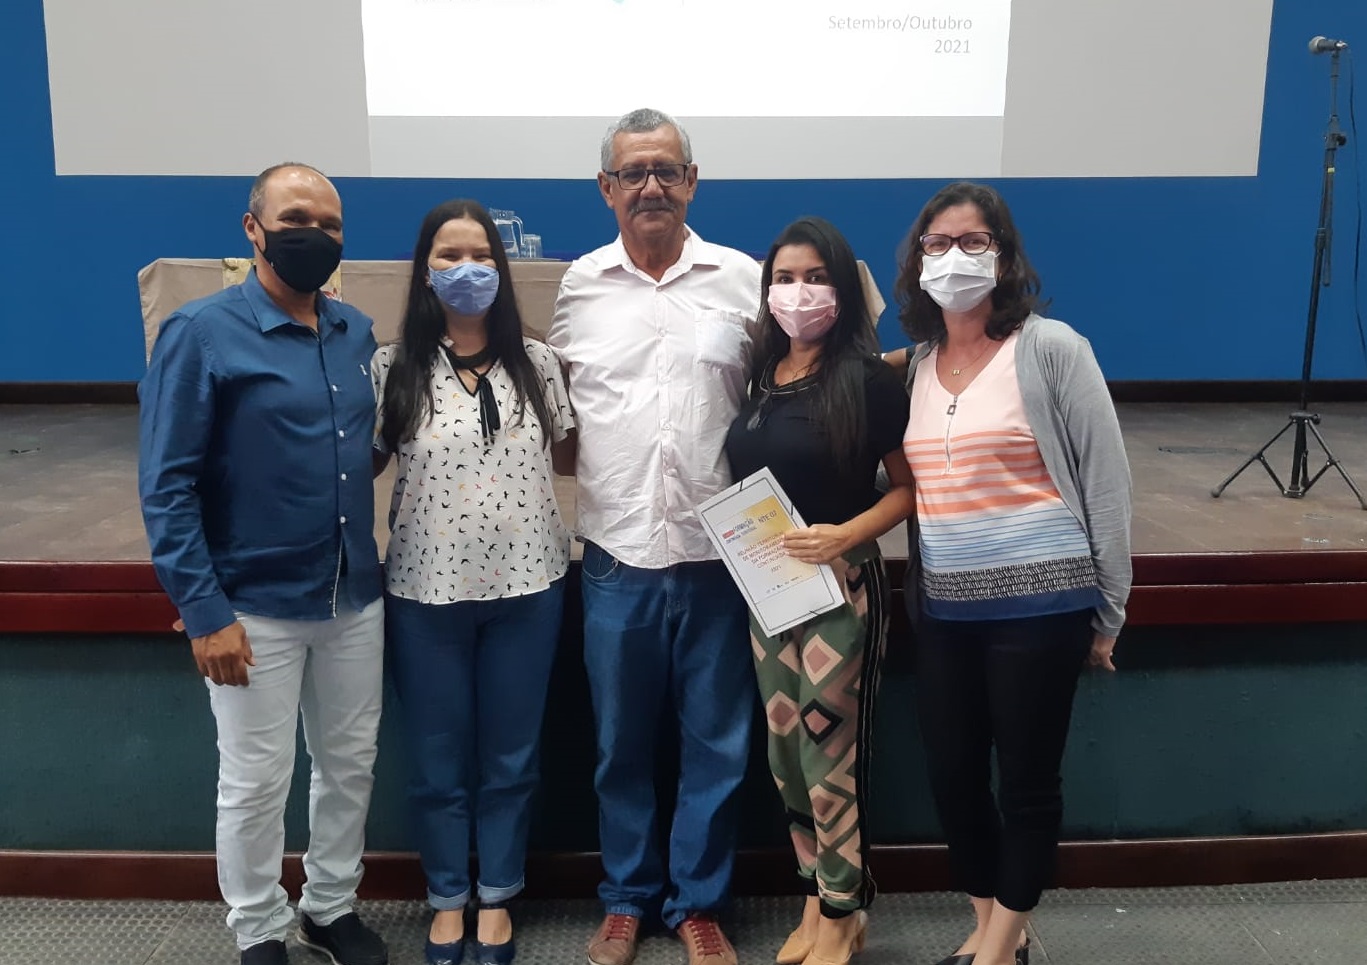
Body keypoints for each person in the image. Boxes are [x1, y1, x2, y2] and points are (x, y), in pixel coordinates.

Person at [138, 163, 388, 965]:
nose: (314, 234)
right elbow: (166, 484)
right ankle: (257, 926)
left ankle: (329, 905)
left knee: (348, 766)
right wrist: (204, 611)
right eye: (295, 218)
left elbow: (359, 450)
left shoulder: (354, 332)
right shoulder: (201, 333)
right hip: (252, 603)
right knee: (255, 779)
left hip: (351, 594)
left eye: (330, 224)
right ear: (253, 229)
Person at [888, 181, 1132, 965]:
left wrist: (1110, 610)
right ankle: (996, 926)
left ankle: (994, 953)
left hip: (1042, 609)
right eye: (936, 243)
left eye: (973, 241)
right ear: (917, 260)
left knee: (1025, 784)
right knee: (953, 778)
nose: (952, 256)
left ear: (1002, 255)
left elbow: (1104, 480)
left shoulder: (1051, 348)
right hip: (946, 612)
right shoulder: (916, 365)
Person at [547, 107, 761, 965]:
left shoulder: (741, 279)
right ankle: (627, 897)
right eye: (632, 173)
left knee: (718, 742)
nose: (650, 187)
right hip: (617, 555)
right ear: (606, 188)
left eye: (666, 170)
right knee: (619, 745)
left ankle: (698, 903)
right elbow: (563, 416)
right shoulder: (580, 287)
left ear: (692, 181)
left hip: (719, 555)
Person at [371, 199, 576, 965]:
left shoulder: (538, 362)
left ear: (502, 268)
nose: (467, 269)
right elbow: (360, 461)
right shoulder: (392, 367)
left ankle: (497, 896)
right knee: (436, 761)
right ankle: (447, 895)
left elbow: (568, 456)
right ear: (425, 271)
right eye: (449, 255)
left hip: (528, 588)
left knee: (510, 757)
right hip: (425, 593)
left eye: (482, 255)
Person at [723, 217, 915, 965]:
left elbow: (906, 490)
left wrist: (843, 535)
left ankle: (844, 908)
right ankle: (814, 895)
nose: (797, 292)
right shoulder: (760, 375)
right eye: (784, 278)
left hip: (842, 587)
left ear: (842, 289)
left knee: (829, 752)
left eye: (814, 278)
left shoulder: (868, 380)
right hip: (770, 592)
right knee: (785, 753)